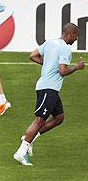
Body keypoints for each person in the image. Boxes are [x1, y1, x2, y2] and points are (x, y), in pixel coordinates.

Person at [13, 23, 84, 166]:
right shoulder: (65, 49)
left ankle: (30, 138)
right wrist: (77, 67)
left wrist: (48, 64)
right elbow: (62, 71)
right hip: (49, 88)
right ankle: (21, 152)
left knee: (59, 117)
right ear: (70, 34)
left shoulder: (50, 42)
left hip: (47, 88)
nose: (76, 40)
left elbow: (33, 56)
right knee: (39, 120)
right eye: (75, 36)